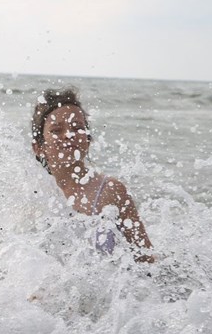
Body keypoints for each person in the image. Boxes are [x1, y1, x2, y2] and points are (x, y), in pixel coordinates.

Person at [31, 88, 154, 262]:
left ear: (88, 140)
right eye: (57, 130)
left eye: (78, 128)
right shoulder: (33, 195)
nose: (69, 135)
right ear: (39, 147)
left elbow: (146, 260)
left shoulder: (111, 191)